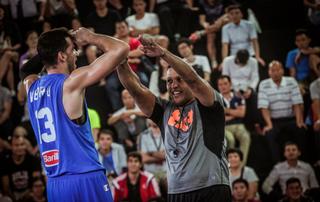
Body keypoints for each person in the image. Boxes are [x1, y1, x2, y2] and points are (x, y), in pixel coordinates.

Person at [116, 35, 231, 201]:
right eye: (169, 81)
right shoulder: (164, 110)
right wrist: (120, 60)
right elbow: (135, 89)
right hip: (176, 192)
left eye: (179, 80)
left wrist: (162, 53)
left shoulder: (209, 104)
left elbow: (193, 79)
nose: (174, 85)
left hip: (211, 188)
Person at [22, 27, 129, 201]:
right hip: (85, 177)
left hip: (55, 184)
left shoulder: (31, 85)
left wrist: (48, 51)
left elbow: (25, 70)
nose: (76, 54)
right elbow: (121, 49)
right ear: (62, 56)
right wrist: (90, 36)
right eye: (73, 50)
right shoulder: (71, 82)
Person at [258, 60, 307, 163]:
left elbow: (297, 103)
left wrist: (299, 121)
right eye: (272, 70)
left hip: (291, 118)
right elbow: (263, 107)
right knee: (269, 134)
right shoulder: (264, 84)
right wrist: (269, 124)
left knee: (301, 129)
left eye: (277, 70)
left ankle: (302, 162)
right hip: (274, 120)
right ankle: (277, 164)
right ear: (269, 72)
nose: (275, 73)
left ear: (282, 71)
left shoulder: (291, 81)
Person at [217, 75, 251, 164]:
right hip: (224, 127)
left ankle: (241, 166)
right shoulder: (216, 99)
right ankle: (229, 166)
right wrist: (235, 113)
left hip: (238, 126)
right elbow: (219, 118)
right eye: (220, 85)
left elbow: (242, 114)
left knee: (245, 137)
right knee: (230, 140)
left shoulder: (238, 96)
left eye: (225, 84)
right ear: (218, 86)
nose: (223, 86)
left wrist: (226, 111)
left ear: (230, 84)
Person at [1, 136, 42, 201]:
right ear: (11, 147)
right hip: (13, 194)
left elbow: (36, 181)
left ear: (25, 146)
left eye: (22, 145)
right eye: (16, 145)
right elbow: (6, 187)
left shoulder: (33, 160)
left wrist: (27, 195)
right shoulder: (5, 163)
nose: (20, 148)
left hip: (30, 192)